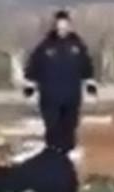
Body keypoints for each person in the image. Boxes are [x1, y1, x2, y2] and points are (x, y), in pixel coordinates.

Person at [24, 10, 97, 155]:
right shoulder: (45, 47)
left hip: (71, 95)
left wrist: (91, 86)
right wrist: (30, 88)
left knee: (70, 126)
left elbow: (87, 68)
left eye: (65, 25)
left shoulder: (77, 46)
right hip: (50, 96)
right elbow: (33, 67)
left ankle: (67, 153)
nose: (62, 28)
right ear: (55, 26)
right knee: (53, 127)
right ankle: (53, 153)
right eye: (60, 25)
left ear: (69, 26)